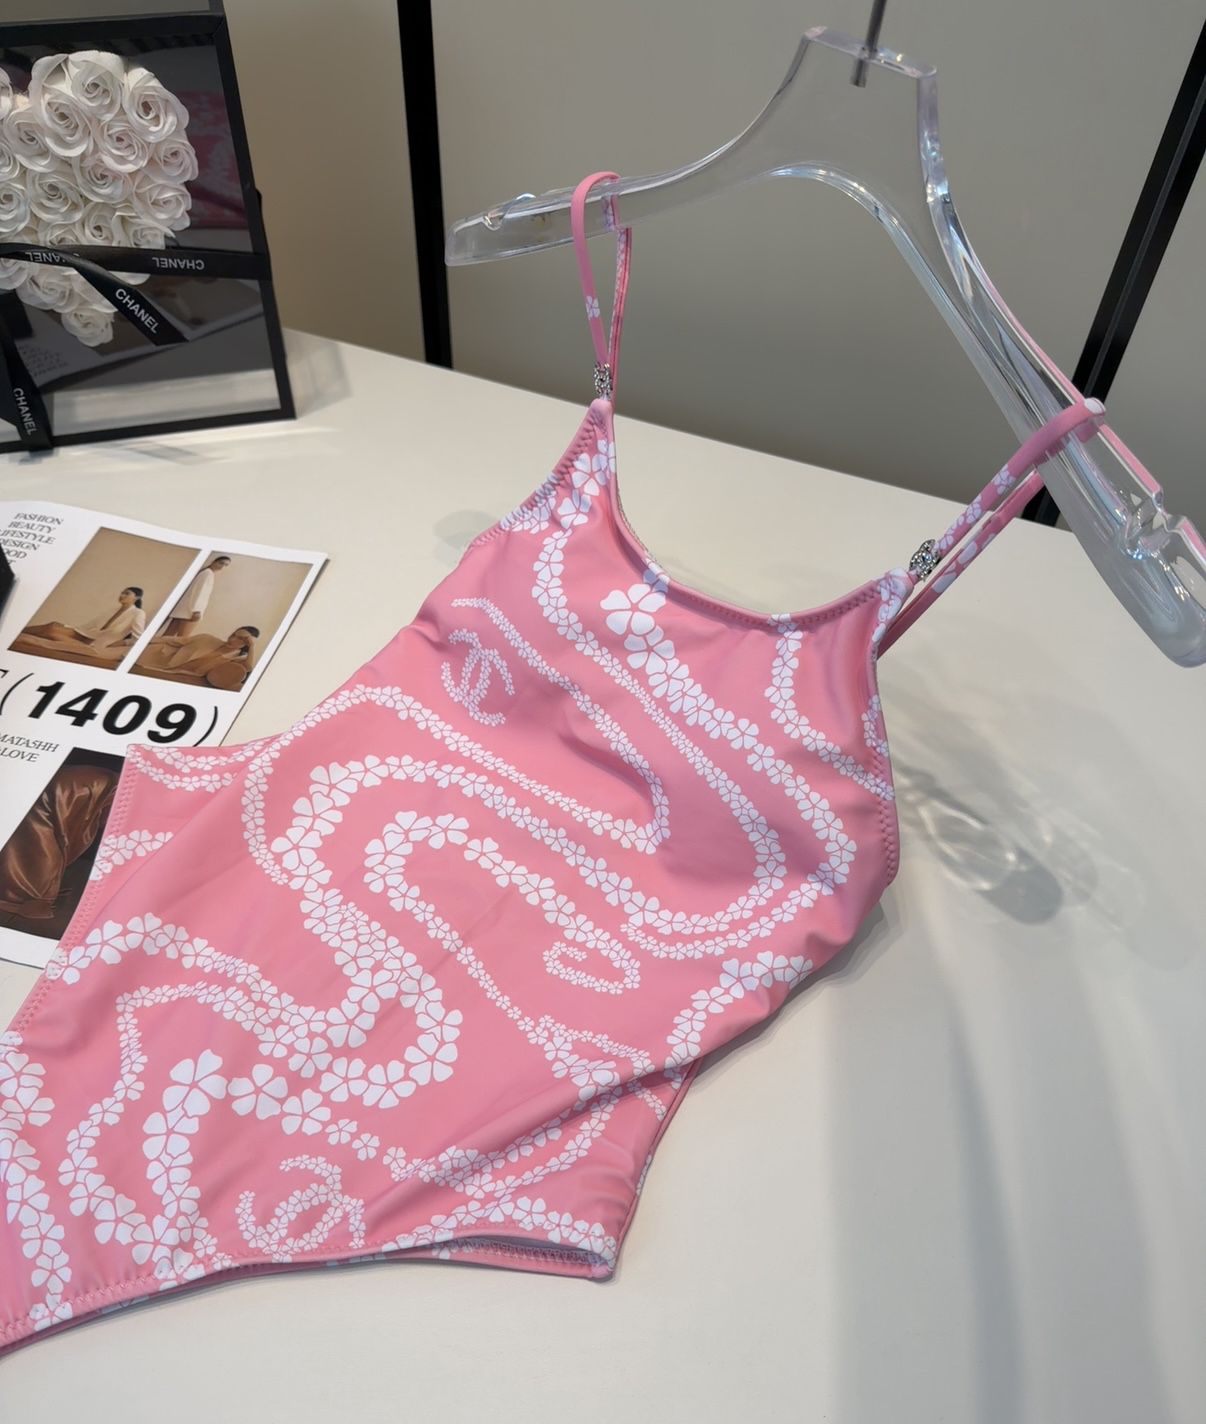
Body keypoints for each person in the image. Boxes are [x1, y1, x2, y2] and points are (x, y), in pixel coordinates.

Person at [23, 586, 146, 652]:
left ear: (137, 597)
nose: (122, 595)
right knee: (52, 625)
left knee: (50, 633)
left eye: (127, 593)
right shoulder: (112, 610)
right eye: (122, 593)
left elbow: (139, 638)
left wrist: (120, 644)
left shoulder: (138, 613)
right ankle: (18, 631)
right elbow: (90, 625)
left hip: (96, 644)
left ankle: (18, 633)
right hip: (87, 634)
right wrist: (67, 626)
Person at [140, 624, 259, 680]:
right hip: (160, 660)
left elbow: (248, 667)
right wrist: (140, 640)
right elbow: (172, 640)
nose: (232, 639)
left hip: (182, 677)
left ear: (247, 643)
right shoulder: (207, 639)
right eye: (233, 635)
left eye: (240, 639)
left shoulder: (236, 658)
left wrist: (252, 647)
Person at [163, 554, 231, 637]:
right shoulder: (207, 573)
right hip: (190, 612)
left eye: (225, 565)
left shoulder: (207, 573)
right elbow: (199, 592)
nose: (222, 566)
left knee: (168, 636)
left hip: (184, 610)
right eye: (221, 563)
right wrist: (197, 610)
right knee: (182, 639)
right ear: (213, 562)